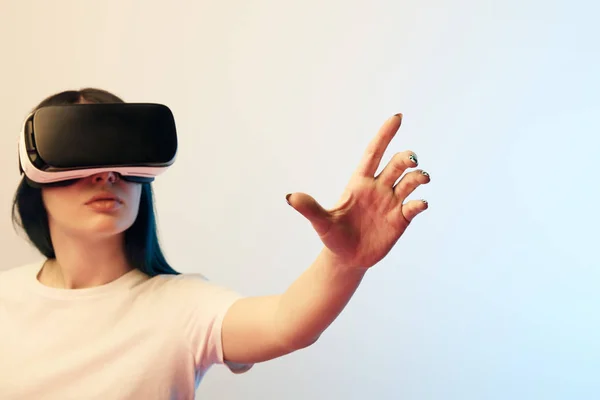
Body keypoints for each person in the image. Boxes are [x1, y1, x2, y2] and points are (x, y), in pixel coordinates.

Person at [0, 88, 431, 399]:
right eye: (81, 149)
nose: (106, 174)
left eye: (121, 154)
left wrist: (344, 263)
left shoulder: (180, 307)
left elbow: (286, 322)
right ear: (35, 174)